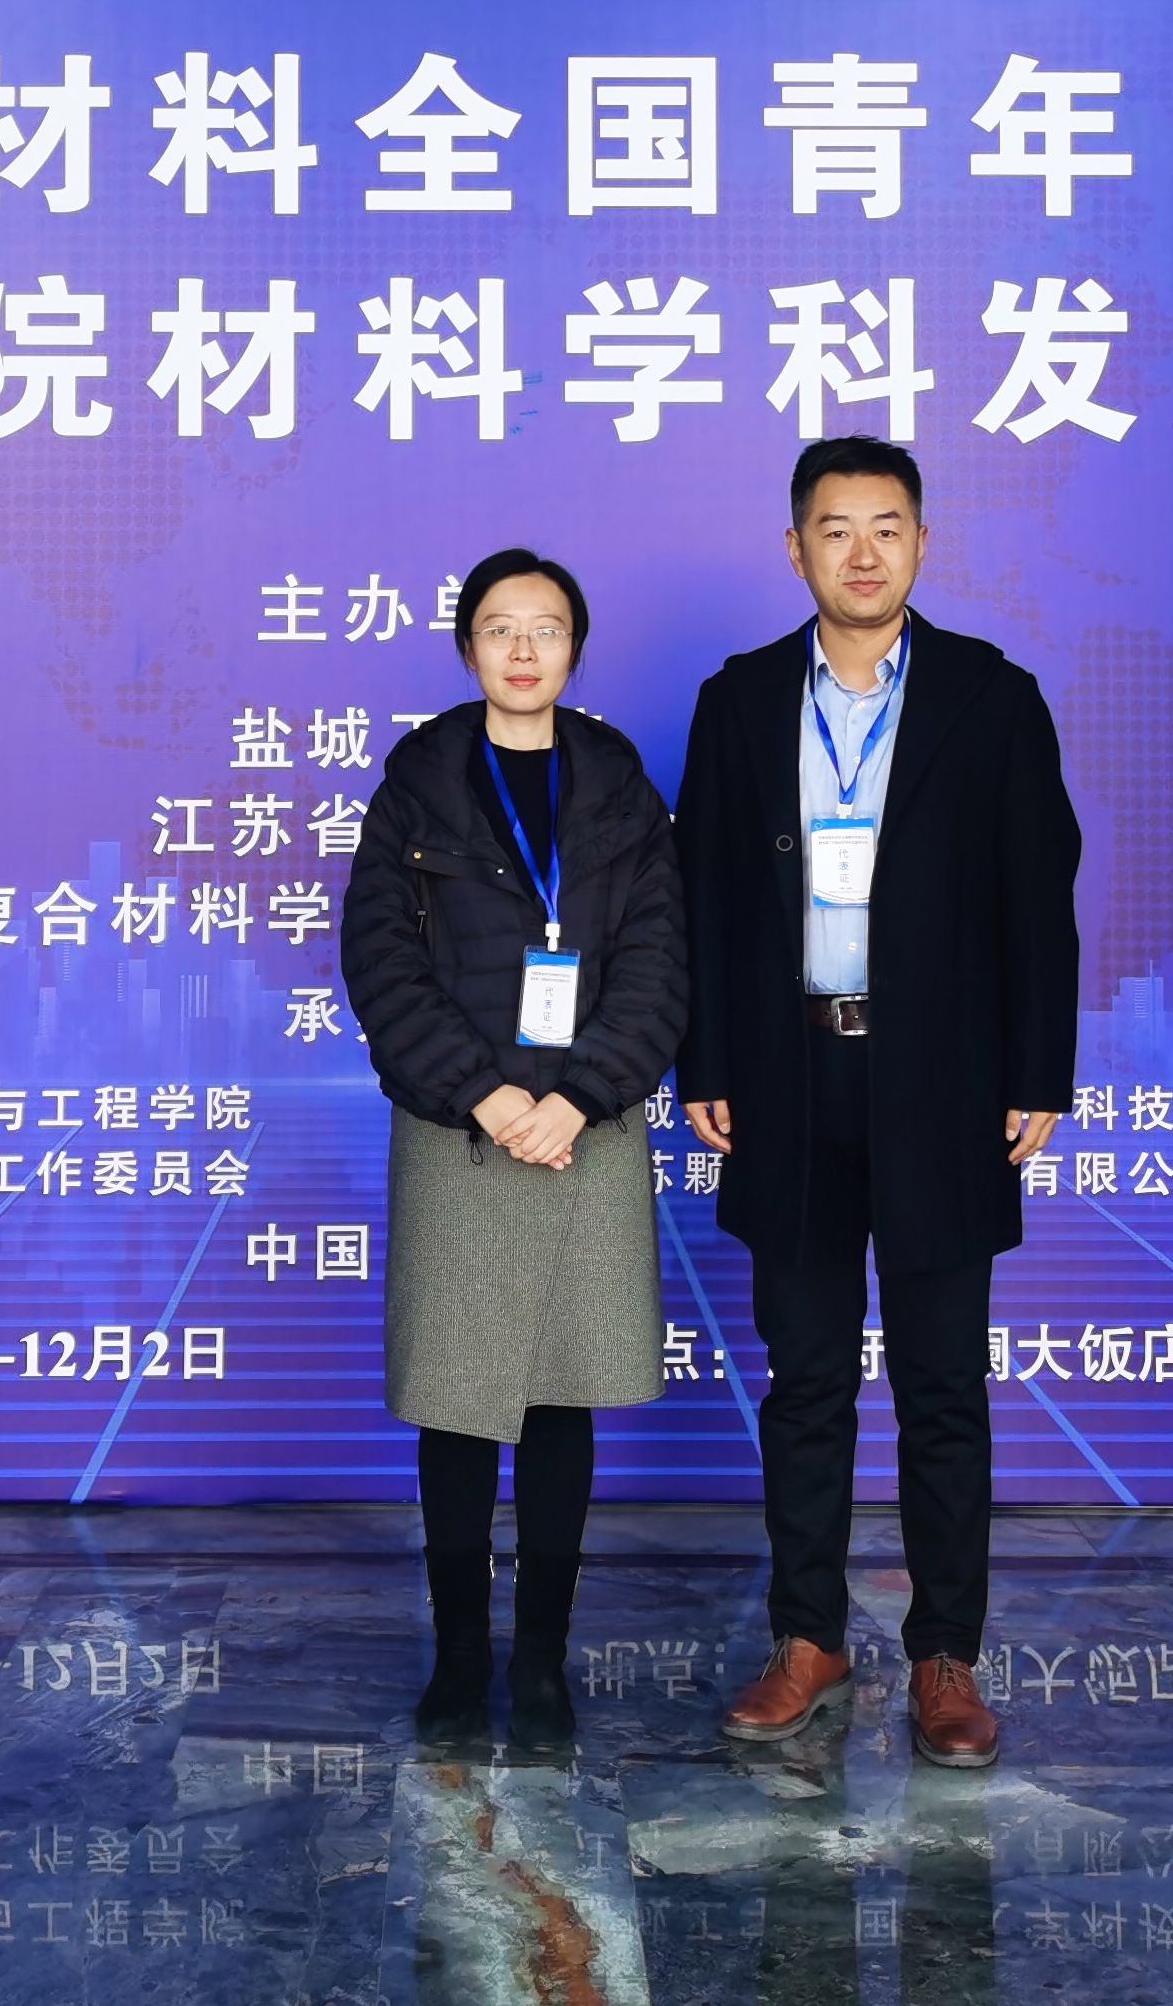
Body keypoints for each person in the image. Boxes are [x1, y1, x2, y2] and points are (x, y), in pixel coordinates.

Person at [673, 439, 1082, 1769]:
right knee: (804, 1381)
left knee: (942, 1383)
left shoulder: (991, 697)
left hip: (942, 1084)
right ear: (794, 548)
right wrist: (704, 1060)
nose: (862, 551)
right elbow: (704, 893)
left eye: (887, 526)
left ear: (922, 543)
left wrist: (1037, 1073)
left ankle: (946, 1654)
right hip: (785, 1078)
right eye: (836, 528)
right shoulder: (738, 700)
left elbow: (1038, 897)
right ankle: (808, 1639)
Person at [340, 548, 689, 1750]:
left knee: (561, 1395)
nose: (524, 648)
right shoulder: (419, 785)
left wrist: (579, 1095)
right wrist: (484, 1093)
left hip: (585, 1126)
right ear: (468, 647)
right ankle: (457, 1656)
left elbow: (660, 962)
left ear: (575, 647)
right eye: (500, 627)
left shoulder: (621, 787)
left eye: (546, 627)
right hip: (464, 1132)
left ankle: (540, 1658)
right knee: (457, 1401)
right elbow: (380, 962)